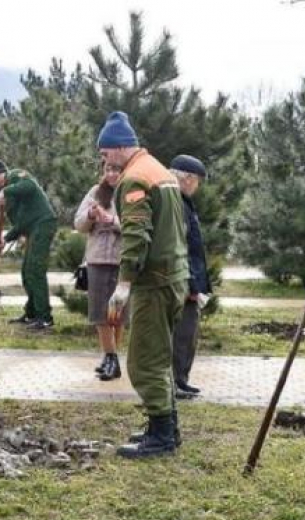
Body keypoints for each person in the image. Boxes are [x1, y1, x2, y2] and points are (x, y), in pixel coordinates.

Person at [98, 111, 189, 459]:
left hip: (155, 283)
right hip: (175, 277)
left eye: (105, 153)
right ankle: (164, 426)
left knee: (143, 361)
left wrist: (123, 284)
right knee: (160, 355)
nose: (104, 160)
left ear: (120, 148)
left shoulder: (134, 179)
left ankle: (162, 437)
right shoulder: (160, 171)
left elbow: (136, 236)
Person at [0, 159, 57, 331]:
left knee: (35, 269)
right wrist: (6, 239)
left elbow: (31, 186)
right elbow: (20, 224)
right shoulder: (9, 199)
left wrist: (6, 190)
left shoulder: (15, 176)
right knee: (26, 272)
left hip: (43, 223)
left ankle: (45, 317)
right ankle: (32, 313)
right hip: (31, 229)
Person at [74, 162, 127, 381]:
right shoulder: (96, 192)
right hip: (96, 259)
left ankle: (111, 358)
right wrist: (91, 215)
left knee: (117, 313)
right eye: (108, 170)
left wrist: (113, 221)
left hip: (120, 260)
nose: (112, 174)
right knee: (99, 313)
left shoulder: (129, 193)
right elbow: (78, 224)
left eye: (116, 170)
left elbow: (136, 226)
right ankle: (110, 356)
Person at [169, 154, 210, 399]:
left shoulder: (184, 202)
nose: (198, 187)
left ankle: (181, 379)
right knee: (181, 334)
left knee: (189, 333)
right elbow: (181, 246)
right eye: (198, 181)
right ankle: (174, 382)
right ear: (187, 179)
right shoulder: (178, 204)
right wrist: (191, 283)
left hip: (189, 279)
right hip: (183, 281)